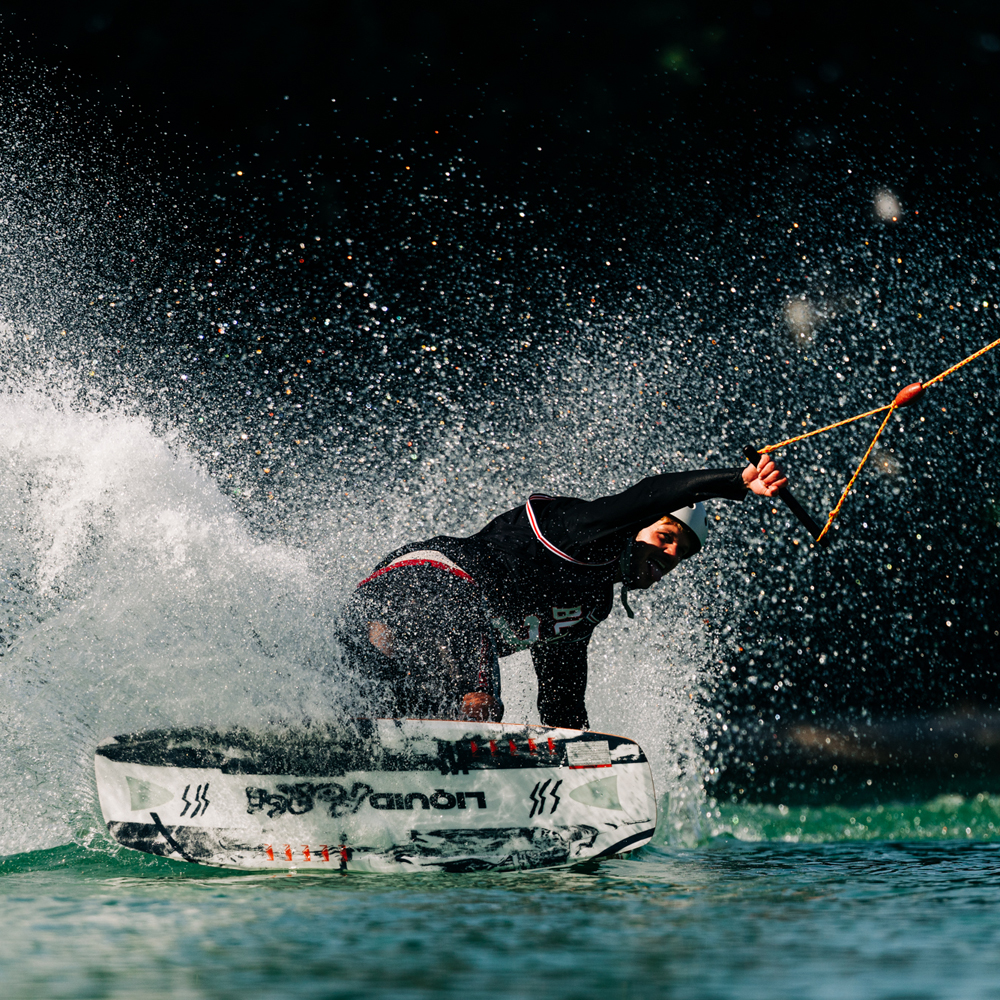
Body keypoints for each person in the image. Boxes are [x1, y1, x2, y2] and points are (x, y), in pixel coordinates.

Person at [338, 455, 787, 729]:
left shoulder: (587, 605)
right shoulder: (584, 532)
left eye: (682, 553)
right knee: (479, 708)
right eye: (666, 536)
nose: (670, 555)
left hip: (416, 611)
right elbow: (650, 493)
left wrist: (581, 761)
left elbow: (561, 695)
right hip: (425, 581)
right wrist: (735, 481)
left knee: (407, 712)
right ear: (636, 527)